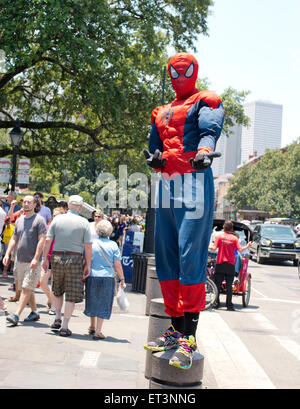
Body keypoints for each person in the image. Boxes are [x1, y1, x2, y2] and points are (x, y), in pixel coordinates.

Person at [143, 52, 225, 370]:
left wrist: (204, 151)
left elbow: (208, 131)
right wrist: (154, 159)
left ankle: (189, 340)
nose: (179, 74)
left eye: (184, 70)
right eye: (174, 71)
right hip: (167, 183)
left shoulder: (206, 100)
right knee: (167, 257)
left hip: (193, 177)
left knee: (190, 256)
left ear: (193, 71)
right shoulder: (161, 111)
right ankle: (176, 332)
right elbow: (155, 146)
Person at [42, 195, 92, 337]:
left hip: (57, 257)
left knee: (57, 289)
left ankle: (57, 317)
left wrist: (45, 258)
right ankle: (64, 325)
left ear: (69, 206)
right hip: (75, 258)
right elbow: (88, 247)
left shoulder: (57, 219)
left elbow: (48, 240)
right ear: (80, 208)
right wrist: (88, 264)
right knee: (71, 293)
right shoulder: (84, 222)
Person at [5, 195, 47, 326]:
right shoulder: (19, 219)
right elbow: (14, 238)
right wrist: (7, 254)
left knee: (25, 287)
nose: (26, 204)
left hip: (32, 261)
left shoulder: (39, 220)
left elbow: (42, 240)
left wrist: (36, 258)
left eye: (29, 202)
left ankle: (16, 314)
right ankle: (34, 311)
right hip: (20, 259)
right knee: (26, 288)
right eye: (24, 202)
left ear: (35, 205)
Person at [84, 219, 126, 339]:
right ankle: (98, 330)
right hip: (107, 277)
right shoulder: (113, 245)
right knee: (103, 302)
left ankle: (91, 325)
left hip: (92, 275)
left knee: (92, 299)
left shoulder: (91, 243)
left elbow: (86, 260)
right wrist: (122, 278)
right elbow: (117, 264)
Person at [208, 221, 252, 311]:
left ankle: (216, 303)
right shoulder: (234, 238)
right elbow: (240, 249)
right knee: (229, 286)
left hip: (220, 263)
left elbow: (214, 248)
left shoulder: (219, 236)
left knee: (217, 284)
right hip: (230, 264)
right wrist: (247, 246)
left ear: (224, 227)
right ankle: (229, 305)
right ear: (232, 229)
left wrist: (206, 246)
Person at [39, 207, 65, 315]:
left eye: (58, 216)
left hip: (59, 259)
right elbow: (43, 243)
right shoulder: (48, 227)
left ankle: (54, 307)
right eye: (54, 216)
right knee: (42, 282)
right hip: (48, 259)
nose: (55, 218)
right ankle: (50, 299)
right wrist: (42, 257)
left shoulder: (64, 229)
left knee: (56, 285)